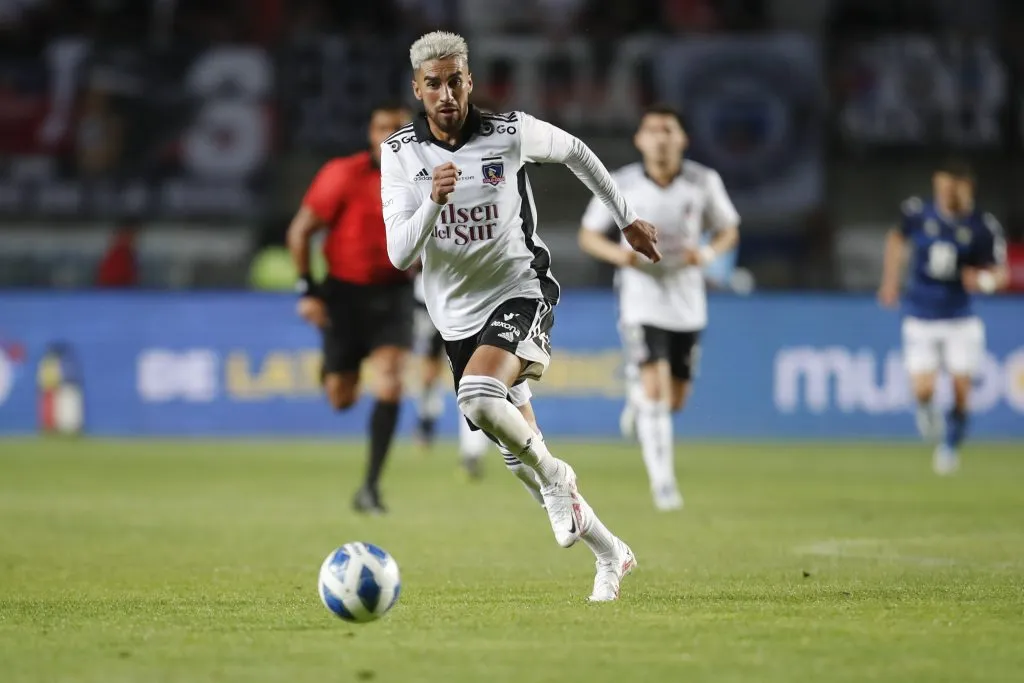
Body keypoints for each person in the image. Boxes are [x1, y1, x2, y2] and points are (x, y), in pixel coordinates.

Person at [380, 30, 660, 602]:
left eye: (455, 80)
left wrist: (626, 217)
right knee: (521, 463)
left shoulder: (510, 132)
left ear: (470, 81)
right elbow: (399, 254)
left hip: (519, 290)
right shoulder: (400, 153)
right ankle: (612, 553)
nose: (446, 93)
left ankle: (561, 478)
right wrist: (433, 201)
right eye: (433, 84)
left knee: (480, 398)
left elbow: (578, 152)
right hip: (455, 319)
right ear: (418, 89)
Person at [577, 105, 740, 511]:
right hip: (641, 295)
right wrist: (619, 257)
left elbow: (728, 229)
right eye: (652, 130)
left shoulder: (703, 181)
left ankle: (637, 401)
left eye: (669, 130)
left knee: (675, 400)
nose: (661, 137)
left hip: (686, 296)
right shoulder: (622, 182)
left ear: (682, 138)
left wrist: (706, 253)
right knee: (656, 388)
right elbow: (588, 235)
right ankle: (664, 486)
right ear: (639, 139)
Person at [288, 102, 414, 514]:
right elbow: (300, 231)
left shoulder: (427, 175)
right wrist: (308, 290)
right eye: (382, 128)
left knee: (392, 381)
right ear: (370, 133)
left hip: (393, 294)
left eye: (398, 129)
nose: (389, 137)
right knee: (340, 400)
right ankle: (334, 362)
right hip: (342, 295)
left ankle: (370, 486)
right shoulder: (342, 174)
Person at [878, 159, 1008, 475]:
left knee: (962, 389)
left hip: (959, 317)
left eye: (954, 185)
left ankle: (949, 447)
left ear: (967, 187)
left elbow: (1000, 272)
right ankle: (925, 409)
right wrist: (890, 281)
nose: (948, 191)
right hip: (921, 313)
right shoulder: (917, 213)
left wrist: (983, 281)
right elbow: (896, 239)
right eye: (943, 183)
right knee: (923, 389)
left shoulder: (981, 226)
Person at [411, 267, 492, 479]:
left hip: (465, 299)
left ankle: (472, 452)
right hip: (429, 300)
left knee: (471, 380)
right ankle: (426, 422)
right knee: (429, 373)